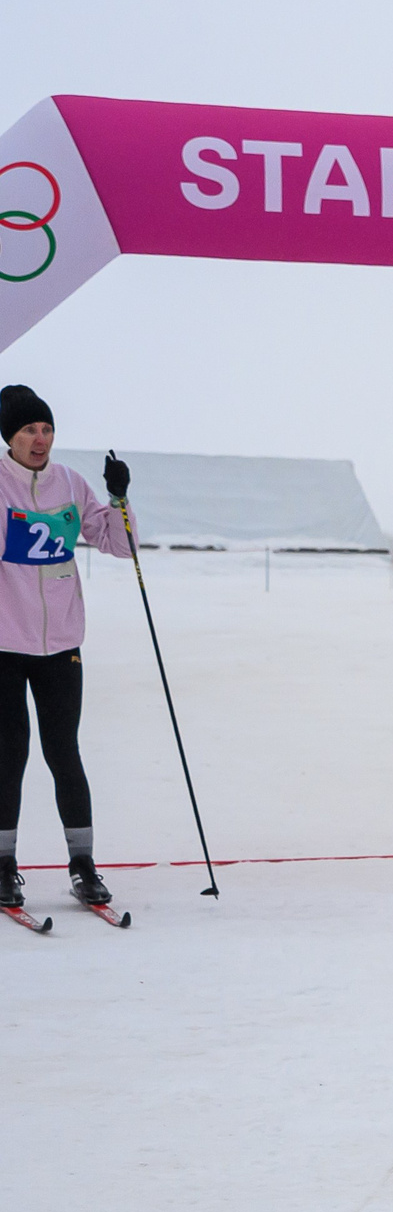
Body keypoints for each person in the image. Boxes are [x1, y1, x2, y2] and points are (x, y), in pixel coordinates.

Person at [0, 384, 137, 911]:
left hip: (61, 645)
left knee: (64, 752)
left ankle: (83, 867)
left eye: (46, 428)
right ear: (9, 437)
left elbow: (120, 545)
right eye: (29, 430)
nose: (40, 439)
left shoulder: (71, 484)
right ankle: (4, 866)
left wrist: (120, 498)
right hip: (5, 646)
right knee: (8, 755)